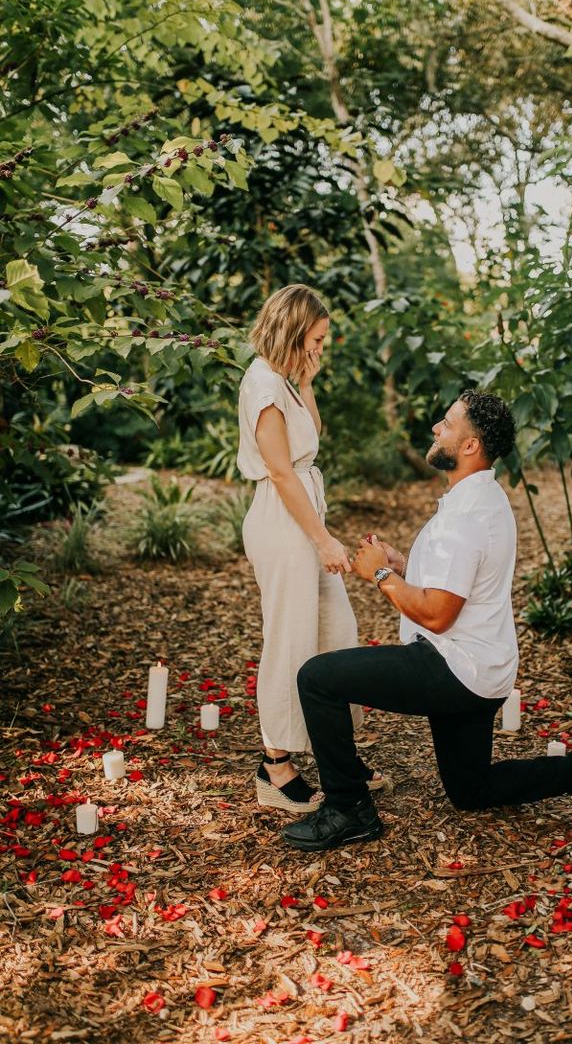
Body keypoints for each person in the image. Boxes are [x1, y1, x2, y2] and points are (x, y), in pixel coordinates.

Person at [281, 389, 572, 851]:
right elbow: (454, 583)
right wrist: (405, 564)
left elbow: (436, 614)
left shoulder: (467, 516)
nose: (436, 427)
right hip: (479, 667)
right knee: (471, 790)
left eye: (448, 424)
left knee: (317, 678)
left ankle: (347, 807)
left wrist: (381, 574)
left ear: (470, 446)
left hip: (452, 667)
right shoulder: (478, 499)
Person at [237, 284, 383, 813]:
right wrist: (322, 539)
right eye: (316, 338)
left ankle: (332, 750)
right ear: (295, 330)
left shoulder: (284, 380)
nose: (322, 346)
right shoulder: (261, 384)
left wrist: (307, 380)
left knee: (334, 634)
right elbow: (280, 470)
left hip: (302, 513)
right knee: (291, 639)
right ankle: (274, 765)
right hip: (283, 523)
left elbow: (311, 436)